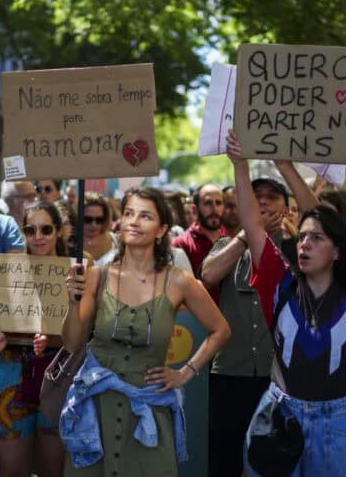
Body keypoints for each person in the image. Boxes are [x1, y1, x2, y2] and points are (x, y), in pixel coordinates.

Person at [226, 130, 346, 476]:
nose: (304, 243)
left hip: (340, 422)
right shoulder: (280, 283)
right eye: (301, 236)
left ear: (337, 250)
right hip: (280, 416)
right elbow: (251, 223)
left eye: (316, 238)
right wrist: (239, 165)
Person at [61, 187, 231, 476]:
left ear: (162, 229)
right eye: (128, 214)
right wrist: (71, 302)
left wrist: (185, 372)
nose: (134, 222)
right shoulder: (97, 276)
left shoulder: (179, 281)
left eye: (145, 216)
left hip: (147, 413)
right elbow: (72, 342)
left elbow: (221, 330)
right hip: (96, 411)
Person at [201, 177, 303, 477]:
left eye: (272, 197)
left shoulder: (301, 249)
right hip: (231, 372)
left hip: (280, 378)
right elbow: (208, 275)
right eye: (256, 196)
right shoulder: (227, 244)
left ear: (285, 208)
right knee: (225, 458)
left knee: (276, 462)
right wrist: (246, 237)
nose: (263, 202)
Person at [0, 201, 70, 477]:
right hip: (12, 372)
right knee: (11, 471)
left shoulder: (79, 270)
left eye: (46, 229)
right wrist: (0, 335)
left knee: (53, 471)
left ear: (59, 231)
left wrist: (54, 340)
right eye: (30, 230)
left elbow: (87, 331)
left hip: (60, 375)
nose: (38, 236)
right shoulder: (9, 270)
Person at [171, 184, 225, 277]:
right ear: (195, 210)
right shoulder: (180, 244)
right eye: (207, 203)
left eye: (218, 203)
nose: (214, 209)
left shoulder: (232, 239)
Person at [82, 193, 118, 265]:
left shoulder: (115, 240)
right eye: (88, 219)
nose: (93, 224)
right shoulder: (70, 242)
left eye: (99, 219)